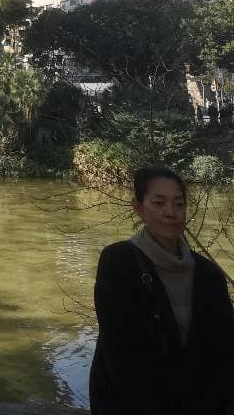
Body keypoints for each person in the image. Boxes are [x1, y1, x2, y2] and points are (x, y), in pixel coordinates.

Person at [89, 165, 234, 414]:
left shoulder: (208, 275)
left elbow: (223, 353)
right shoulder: (118, 262)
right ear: (139, 208)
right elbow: (120, 356)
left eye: (178, 204)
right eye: (159, 203)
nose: (171, 213)